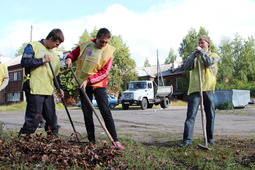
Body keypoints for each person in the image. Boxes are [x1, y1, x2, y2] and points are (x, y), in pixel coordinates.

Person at [65, 28, 125, 150]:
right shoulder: (85, 45)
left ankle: (115, 140)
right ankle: (91, 140)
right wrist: (69, 58)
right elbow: (73, 54)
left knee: (105, 111)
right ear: (96, 37)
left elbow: (105, 72)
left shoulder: (109, 52)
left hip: (98, 84)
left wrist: (89, 80)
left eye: (106, 42)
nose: (103, 44)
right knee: (87, 112)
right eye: (101, 41)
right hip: (82, 83)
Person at [19, 28, 64, 137]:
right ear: (51, 38)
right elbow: (25, 62)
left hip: (47, 90)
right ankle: (24, 139)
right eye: (56, 44)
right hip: (34, 87)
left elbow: (56, 74)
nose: (57, 47)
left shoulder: (55, 55)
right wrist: (41, 60)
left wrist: (59, 88)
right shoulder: (33, 46)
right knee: (35, 117)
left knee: (51, 117)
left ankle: (53, 140)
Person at [181, 35, 220, 146]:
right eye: (199, 43)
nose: (200, 45)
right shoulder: (194, 57)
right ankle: (187, 141)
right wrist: (193, 55)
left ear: (208, 44)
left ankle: (210, 139)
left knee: (210, 115)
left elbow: (209, 62)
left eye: (202, 42)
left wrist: (202, 52)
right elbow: (186, 66)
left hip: (208, 88)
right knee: (191, 115)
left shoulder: (213, 56)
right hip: (195, 89)